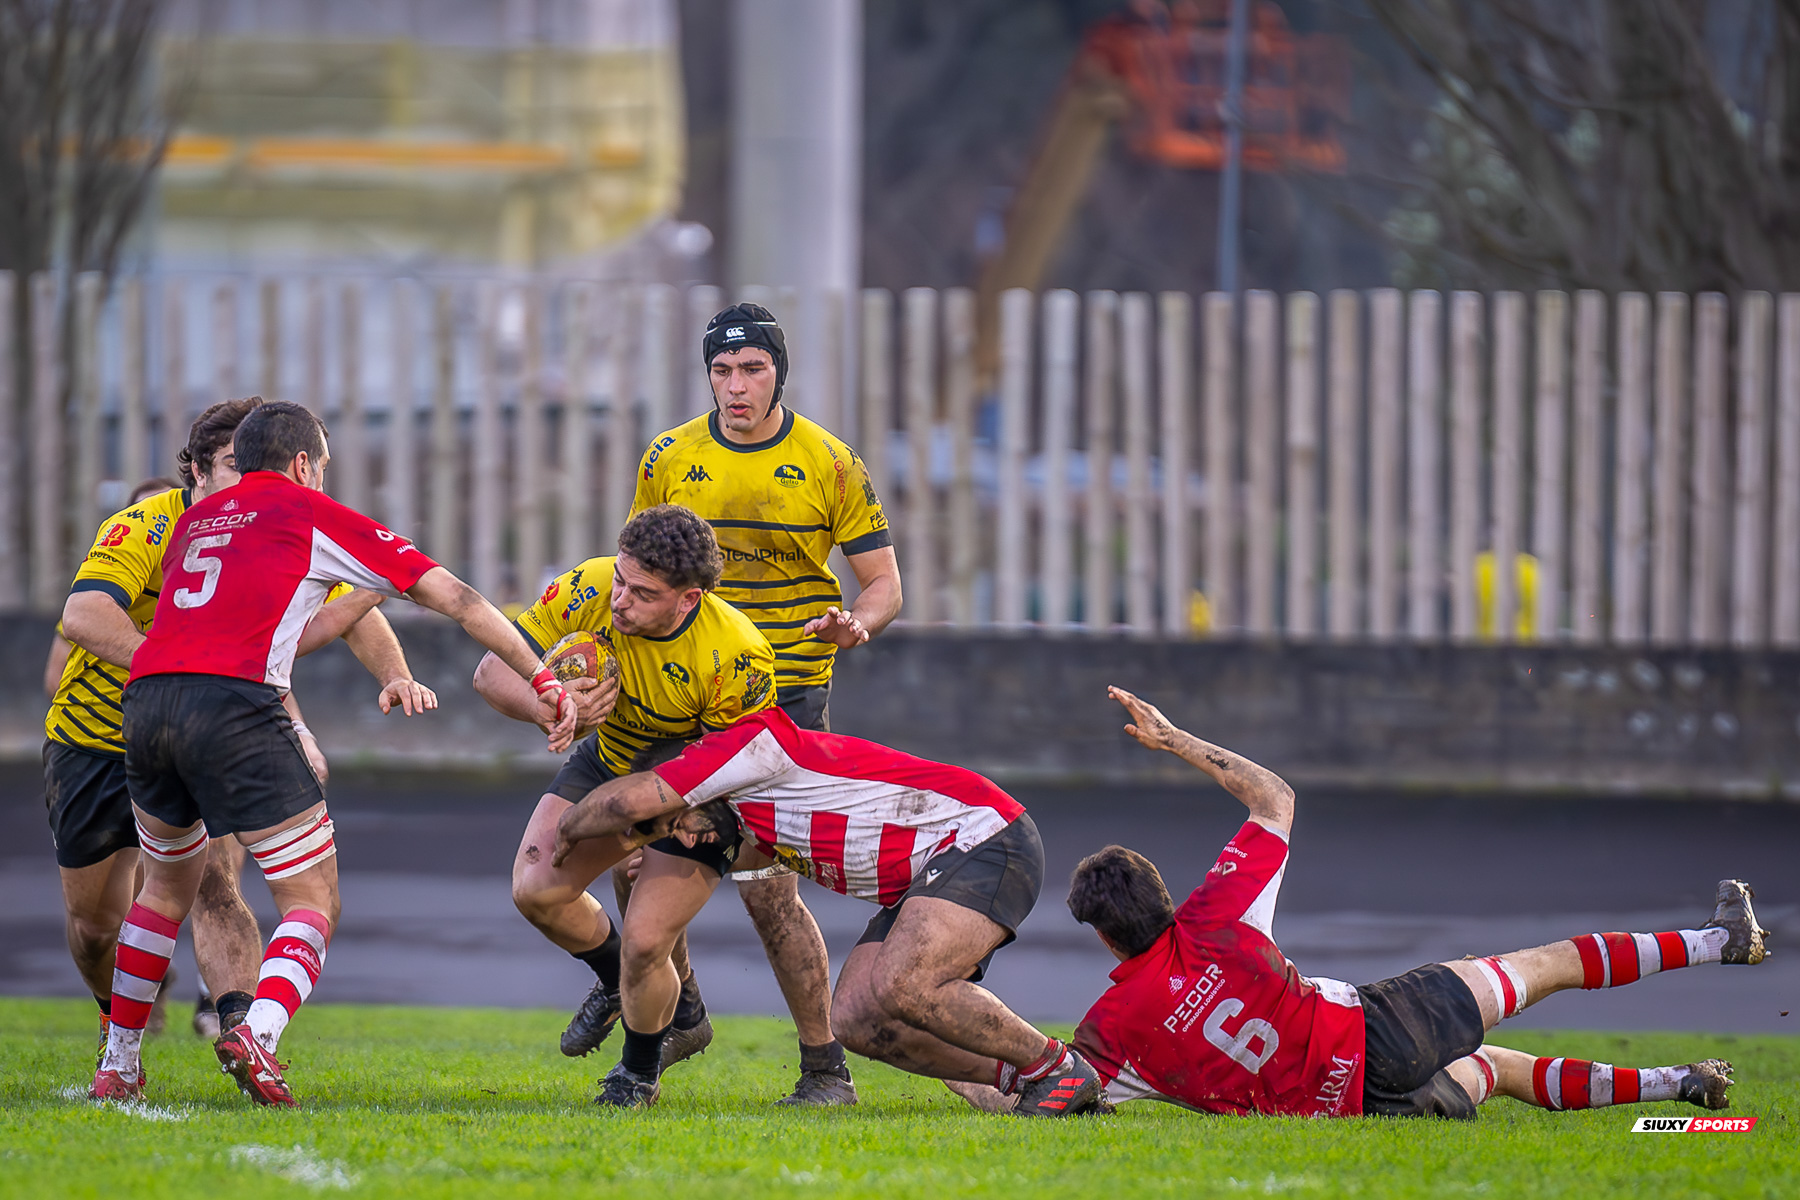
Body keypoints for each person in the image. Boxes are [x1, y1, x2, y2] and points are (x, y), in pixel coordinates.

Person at [88, 401, 576, 1106]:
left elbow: (281, 631)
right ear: (303, 464)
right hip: (233, 709)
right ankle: (257, 1032)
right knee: (312, 898)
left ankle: (119, 1064)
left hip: (148, 704)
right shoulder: (310, 511)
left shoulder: (198, 519)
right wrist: (541, 676)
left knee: (164, 893)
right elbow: (462, 599)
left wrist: (356, 604)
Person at [1065, 687, 1772, 1119]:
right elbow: (1274, 797)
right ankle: (1721, 943)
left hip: (1355, 1109)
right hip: (1378, 1031)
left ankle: (1680, 1088)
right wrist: (1171, 737)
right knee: (1547, 965)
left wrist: (952, 1041)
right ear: (1163, 895)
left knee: (1500, 1070)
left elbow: (1045, 1092)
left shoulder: (1113, 1028)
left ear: (1106, 940)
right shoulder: (1214, 915)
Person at [49, 402, 419, 1072]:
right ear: (193, 469)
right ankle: (122, 1024)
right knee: (94, 926)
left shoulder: (269, 522)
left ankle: (241, 1028)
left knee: (216, 884)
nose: (247, 478)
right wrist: (173, 665)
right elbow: (81, 614)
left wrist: (394, 673)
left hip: (201, 726)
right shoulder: (149, 522)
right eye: (230, 467)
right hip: (95, 740)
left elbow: (347, 599)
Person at [615, 301, 903, 1105]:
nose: (735, 386)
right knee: (626, 849)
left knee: (766, 886)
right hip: (680, 690)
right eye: (721, 371)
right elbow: (634, 573)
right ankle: (685, 1011)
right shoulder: (671, 455)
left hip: (784, 697)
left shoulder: (829, 461)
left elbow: (883, 583)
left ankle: (824, 1069)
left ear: (779, 372)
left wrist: (858, 622)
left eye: (752, 370)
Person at [547, 705, 1105, 1117]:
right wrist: (658, 849)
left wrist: (569, 831)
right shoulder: (750, 810)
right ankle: (1026, 1079)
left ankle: (1056, 1066)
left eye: (672, 822)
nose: (680, 839)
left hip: (984, 837)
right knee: (858, 1019)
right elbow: (719, 850)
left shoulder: (747, 746)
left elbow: (630, 799)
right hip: (929, 872)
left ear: (689, 780)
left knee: (904, 984)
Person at [472, 503, 777, 1094]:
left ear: (688, 599)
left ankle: (637, 1074)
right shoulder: (588, 584)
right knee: (536, 892)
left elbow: (732, 773)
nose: (619, 600)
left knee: (646, 941)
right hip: (609, 762)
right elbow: (489, 672)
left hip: (696, 789)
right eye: (621, 580)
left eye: (641, 592)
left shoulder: (736, 653)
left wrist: (652, 827)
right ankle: (623, 984)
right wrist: (548, 706)